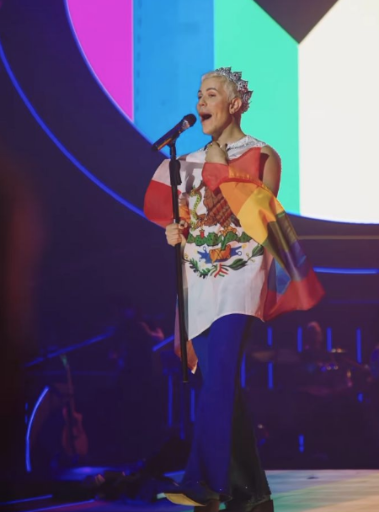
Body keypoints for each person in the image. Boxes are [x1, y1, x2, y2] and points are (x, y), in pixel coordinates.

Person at [143, 68, 324, 512]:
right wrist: (174, 230)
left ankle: (202, 481)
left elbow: (261, 219)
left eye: (211, 94)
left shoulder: (262, 156)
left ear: (235, 103)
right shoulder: (182, 165)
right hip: (198, 281)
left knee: (220, 374)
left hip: (240, 279)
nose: (201, 101)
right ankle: (253, 492)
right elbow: (184, 222)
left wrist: (222, 168)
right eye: (198, 94)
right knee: (219, 383)